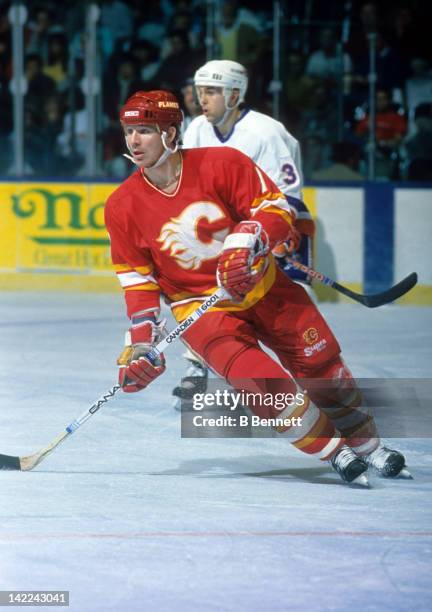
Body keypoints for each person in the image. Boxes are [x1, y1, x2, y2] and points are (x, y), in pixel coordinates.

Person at [104, 89, 409, 485]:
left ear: (171, 132)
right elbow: (137, 279)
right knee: (267, 388)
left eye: (145, 130)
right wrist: (143, 342)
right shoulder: (122, 204)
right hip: (202, 311)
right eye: (129, 131)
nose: (134, 141)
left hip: (266, 287)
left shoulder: (223, 163)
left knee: (326, 370)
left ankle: (369, 446)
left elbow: (277, 208)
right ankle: (335, 452)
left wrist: (251, 236)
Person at [178, 59, 315, 406]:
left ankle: (310, 374)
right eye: (200, 90)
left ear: (235, 94)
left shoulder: (265, 133)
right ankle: (197, 365)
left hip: (278, 223)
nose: (201, 98)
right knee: (197, 286)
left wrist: (278, 238)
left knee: (285, 307)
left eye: (211, 91)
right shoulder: (195, 129)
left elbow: (289, 197)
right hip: (226, 228)